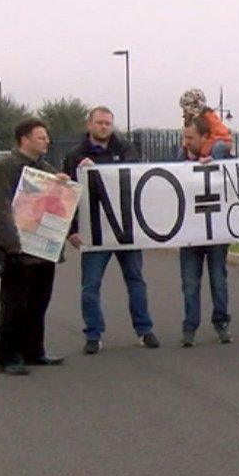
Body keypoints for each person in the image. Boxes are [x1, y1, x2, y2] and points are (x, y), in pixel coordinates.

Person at [64, 106, 159, 353]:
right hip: (94, 230)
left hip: (124, 229)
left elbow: (132, 176)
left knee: (136, 280)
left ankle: (144, 329)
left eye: (108, 123)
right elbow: (67, 194)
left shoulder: (125, 149)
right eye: (99, 123)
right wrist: (71, 229)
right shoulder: (75, 155)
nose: (104, 127)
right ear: (89, 125)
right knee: (90, 285)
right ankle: (93, 334)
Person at [0, 119, 70, 375]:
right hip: (18, 247)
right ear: (24, 139)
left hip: (43, 248)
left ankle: (34, 351)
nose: (47, 142)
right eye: (41, 138)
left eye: (46, 138)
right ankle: (9, 356)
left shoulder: (45, 168)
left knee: (39, 301)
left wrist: (62, 186)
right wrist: (11, 244)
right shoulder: (4, 167)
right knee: (14, 304)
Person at [177, 115, 234, 346]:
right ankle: (190, 327)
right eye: (184, 137)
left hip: (215, 230)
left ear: (204, 138)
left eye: (190, 138)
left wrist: (218, 164)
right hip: (190, 231)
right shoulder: (179, 158)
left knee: (218, 279)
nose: (185, 142)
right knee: (190, 282)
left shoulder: (220, 156)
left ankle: (221, 323)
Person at [179, 88, 233, 158]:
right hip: (210, 143)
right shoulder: (194, 120)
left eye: (185, 110)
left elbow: (216, 137)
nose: (184, 113)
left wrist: (204, 154)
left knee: (217, 148)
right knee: (182, 151)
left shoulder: (210, 118)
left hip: (222, 142)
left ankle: (216, 166)